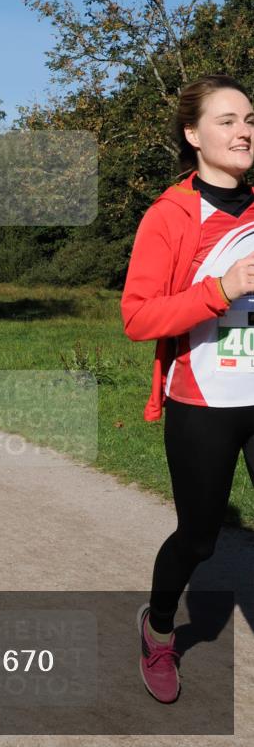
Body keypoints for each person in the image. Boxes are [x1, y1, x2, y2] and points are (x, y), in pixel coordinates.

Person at [122, 75, 254, 704]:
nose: (244, 130)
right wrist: (221, 290)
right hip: (203, 401)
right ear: (193, 134)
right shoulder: (170, 216)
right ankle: (159, 626)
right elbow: (139, 317)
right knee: (199, 537)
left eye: (249, 118)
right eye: (226, 120)